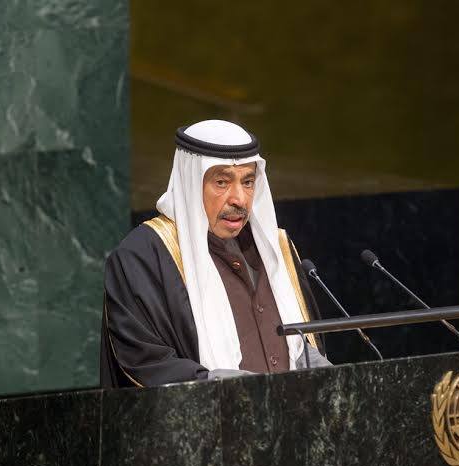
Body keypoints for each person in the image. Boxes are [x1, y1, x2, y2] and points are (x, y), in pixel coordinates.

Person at [100, 120, 331, 387]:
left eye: (248, 182)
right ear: (190, 182)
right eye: (222, 182)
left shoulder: (276, 248)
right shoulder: (143, 256)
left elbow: (300, 346)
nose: (239, 199)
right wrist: (233, 388)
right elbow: (145, 362)